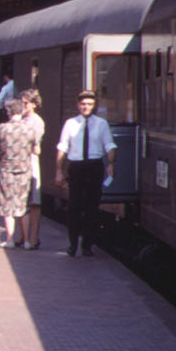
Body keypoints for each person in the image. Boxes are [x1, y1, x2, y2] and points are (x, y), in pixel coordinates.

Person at [55, 89, 116, 258]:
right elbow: (62, 147)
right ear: (78, 105)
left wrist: (111, 163)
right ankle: (73, 244)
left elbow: (109, 145)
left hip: (94, 166)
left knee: (92, 208)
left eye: (89, 104)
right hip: (76, 167)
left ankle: (87, 245)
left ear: (94, 105)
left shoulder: (101, 124)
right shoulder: (70, 123)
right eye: (83, 104)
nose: (86, 107)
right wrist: (59, 171)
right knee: (74, 207)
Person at [0, 98, 39, 248]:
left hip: (6, 170)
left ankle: (10, 239)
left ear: (8, 112)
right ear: (22, 110)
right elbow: (36, 150)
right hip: (24, 170)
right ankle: (26, 241)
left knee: (7, 205)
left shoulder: (2, 128)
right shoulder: (30, 129)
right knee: (23, 205)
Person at [21, 88, 47, 250]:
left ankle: (33, 237)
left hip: (30, 161)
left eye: (26, 103)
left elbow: (35, 145)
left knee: (34, 201)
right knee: (21, 201)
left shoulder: (36, 121)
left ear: (34, 104)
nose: (23, 106)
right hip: (21, 161)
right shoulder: (22, 118)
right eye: (22, 102)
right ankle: (23, 236)